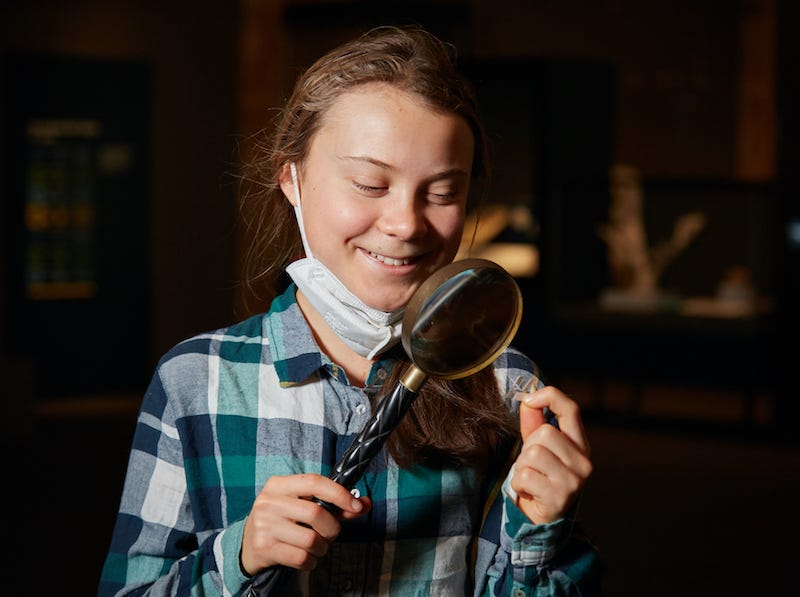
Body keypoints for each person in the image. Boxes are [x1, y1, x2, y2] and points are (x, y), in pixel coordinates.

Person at [98, 24, 602, 596]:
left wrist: (541, 531)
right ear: (292, 178)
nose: (407, 224)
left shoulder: (508, 387)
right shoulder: (197, 381)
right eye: (369, 184)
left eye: (442, 194)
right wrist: (238, 557)